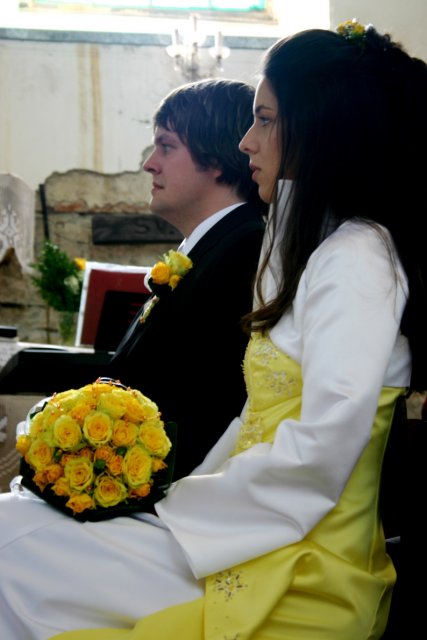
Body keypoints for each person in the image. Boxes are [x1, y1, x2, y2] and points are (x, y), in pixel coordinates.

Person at [0, 20, 426, 640]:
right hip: (245, 521)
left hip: (301, 558)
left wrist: (182, 514)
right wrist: (171, 503)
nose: (248, 141)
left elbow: (321, 448)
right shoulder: (320, 249)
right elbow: (253, 422)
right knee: (15, 535)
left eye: (265, 120)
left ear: (320, 130)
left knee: (15, 552)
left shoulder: (361, 256)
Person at [107, 79, 266, 480]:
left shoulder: (244, 253)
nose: (150, 163)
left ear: (215, 158)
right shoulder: (213, 248)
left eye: (166, 146)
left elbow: (211, 402)